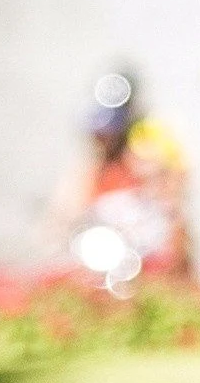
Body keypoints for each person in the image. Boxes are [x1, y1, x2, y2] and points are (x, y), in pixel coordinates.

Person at [51, 71, 191, 292]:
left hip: (146, 258)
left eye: (108, 131)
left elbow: (173, 200)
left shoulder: (147, 157)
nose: (102, 137)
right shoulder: (90, 170)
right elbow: (67, 212)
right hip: (101, 258)